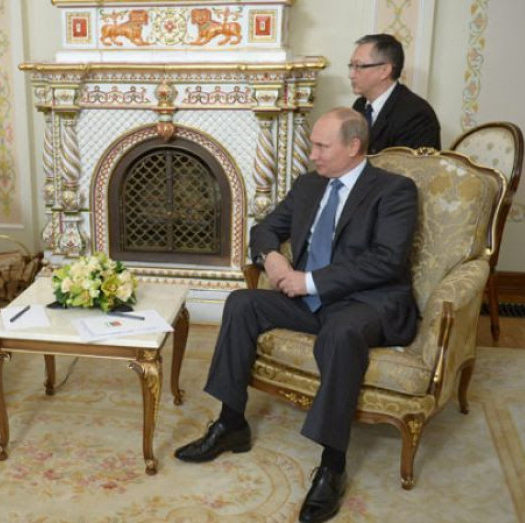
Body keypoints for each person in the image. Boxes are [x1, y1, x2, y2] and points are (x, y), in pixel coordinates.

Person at [174, 108, 419, 523]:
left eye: (322, 146)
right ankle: (231, 423)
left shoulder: (394, 190)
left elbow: (387, 261)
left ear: (353, 146)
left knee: (340, 333)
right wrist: (271, 258)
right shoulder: (309, 185)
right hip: (308, 300)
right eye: (312, 146)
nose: (312, 155)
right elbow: (265, 228)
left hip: (365, 303)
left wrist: (309, 281)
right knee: (241, 303)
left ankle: (332, 465)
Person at [349, 33, 441, 154]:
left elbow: (408, 165)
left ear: (385, 70)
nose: (351, 75)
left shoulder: (417, 115)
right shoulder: (360, 105)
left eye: (358, 66)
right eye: (351, 66)